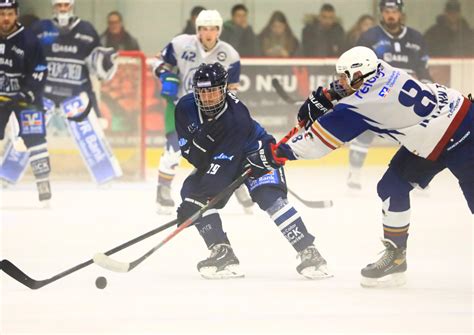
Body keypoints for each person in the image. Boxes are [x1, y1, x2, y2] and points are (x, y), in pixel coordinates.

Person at [266, 46, 473, 287]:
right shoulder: (382, 68)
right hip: (435, 135)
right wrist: (328, 95)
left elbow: (315, 144)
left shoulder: (362, 105)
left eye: (344, 77)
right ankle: (396, 257)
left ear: (359, 75)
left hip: (465, 134)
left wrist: (278, 153)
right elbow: (354, 90)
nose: (340, 82)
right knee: (392, 187)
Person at [175, 62, 331, 280]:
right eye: (203, 92)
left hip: (255, 152)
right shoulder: (184, 108)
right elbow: (191, 154)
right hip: (222, 157)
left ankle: (309, 251)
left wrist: (198, 203)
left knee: (269, 197)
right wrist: (195, 202)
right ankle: (223, 252)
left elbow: (221, 169)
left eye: (213, 92)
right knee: (191, 193)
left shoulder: (237, 116)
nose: (208, 98)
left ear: (225, 89)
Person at [153, 9, 253, 214]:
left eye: (213, 29)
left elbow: (232, 90)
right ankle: (162, 190)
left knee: (225, 152)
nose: (208, 33)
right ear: (198, 30)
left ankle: (238, 187)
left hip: (215, 111)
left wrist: (234, 115)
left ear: (219, 30)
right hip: (183, 107)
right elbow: (158, 62)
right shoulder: (181, 44)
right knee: (174, 147)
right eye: (204, 29)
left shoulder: (230, 55)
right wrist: (165, 76)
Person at [346, 0, 432, 190]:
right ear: (381, 13)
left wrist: (428, 88)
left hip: (406, 98)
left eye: (394, 10)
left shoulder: (416, 38)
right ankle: (354, 174)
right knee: (364, 130)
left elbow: (423, 70)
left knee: (417, 136)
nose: (390, 14)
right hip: (378, 95)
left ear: (401, 13)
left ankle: (416, 178)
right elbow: (359, 67)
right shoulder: (369, 37)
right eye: (386, 10)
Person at [0, 0, 50, 203]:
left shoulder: (29, 40)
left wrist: (27, 93)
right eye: (2, 14)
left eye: (9, 14)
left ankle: (43, 182)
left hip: (25, 98)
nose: (5, 18)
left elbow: (40, 70)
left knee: (35, 137)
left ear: (16, 14)